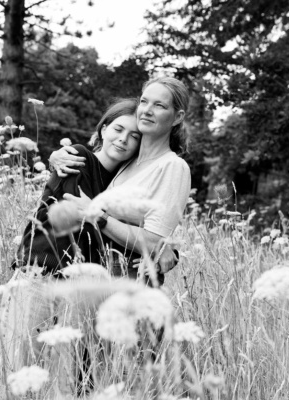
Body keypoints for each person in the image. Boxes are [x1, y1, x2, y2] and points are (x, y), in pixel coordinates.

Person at [0, 98, 142, 392]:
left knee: (63, 384)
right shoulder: (79, 156)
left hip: (79, 292)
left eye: (134, 136)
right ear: (104, 129)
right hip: (39, 277)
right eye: (119, 129)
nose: (124, 140)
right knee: (10, 375)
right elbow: (78, 220)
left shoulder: (122, 187)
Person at [50, 76, 192, 285]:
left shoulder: (172, 166)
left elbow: (156, 242)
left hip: (130, 279)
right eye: (144, 101)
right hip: (99, 273)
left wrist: (97, 216)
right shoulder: (127, 161)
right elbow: (95, 163)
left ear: (178, 117)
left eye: (159, 105)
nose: (147, 110)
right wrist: (55, 157)